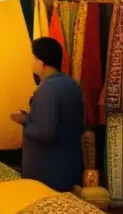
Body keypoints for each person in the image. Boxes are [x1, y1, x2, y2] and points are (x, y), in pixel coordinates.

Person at [10, 37, 84, 192]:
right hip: (69, 168)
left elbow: (45, 133)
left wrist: (24, 121)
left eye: (33, 59)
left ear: (40, 62)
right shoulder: (72, 84)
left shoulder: (48, 89)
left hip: (47, 174)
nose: (32, 63)